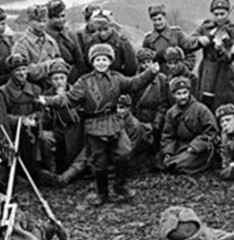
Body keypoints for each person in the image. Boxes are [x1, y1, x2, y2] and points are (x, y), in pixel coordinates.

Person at [40, 43, 159, 205]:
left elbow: (134, 84)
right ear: (92, 62)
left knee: (123, 152)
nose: (101, 62)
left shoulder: (117, 78)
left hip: (114, 121)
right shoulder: (84, 82)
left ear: (110, 61)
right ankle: (102, 193)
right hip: (94, 124)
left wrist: (150, 73)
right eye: (97, 60)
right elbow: (68, 98)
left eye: (104, 59)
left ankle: (120, 186)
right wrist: (48, 100)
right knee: (98, 160)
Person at [160, 76, 219, 174]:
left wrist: (194, 146)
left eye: (185, 93)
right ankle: (173, 161)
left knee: (180, 163)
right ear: (173, 95)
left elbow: (212, 132)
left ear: (189, 93)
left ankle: (177, 163)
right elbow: (168, 135)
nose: (182, 97)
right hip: (181, 146)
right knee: (160, 159)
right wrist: (168, 152)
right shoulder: (171, 113)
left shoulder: (201, 109)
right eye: (179, 94)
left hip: (200, 148)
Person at [191, 0, 234, 110]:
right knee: (205, 101)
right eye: (216, 14)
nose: (219, 18)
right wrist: (201, 40)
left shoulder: (232, 30)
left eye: (222, 14)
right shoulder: (206, 27)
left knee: (225, 102)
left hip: (224, 72)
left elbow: (233, 53)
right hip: (207, 69)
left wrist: (223, 48)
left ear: (228, 13)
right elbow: (190, 42)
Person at [131, 47, 169, 149]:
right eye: (143, 62)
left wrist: (157, 121)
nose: (146, 65)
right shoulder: (135, 79)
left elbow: (164, 102)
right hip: (139, 118)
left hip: (155, 118)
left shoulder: (161, 79)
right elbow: (131, 103)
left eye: (149, 62)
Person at [142, 4, 197, 74]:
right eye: (154, 20)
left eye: (159, 19)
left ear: (165, 18)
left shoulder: (177, 34)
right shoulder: (148, 39)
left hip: (178, 77)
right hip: (158, 78)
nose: (157, 22)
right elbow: (144, 61)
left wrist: (183, 69)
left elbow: (190, 54)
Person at [11, 4, 61, 81]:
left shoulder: (51, 41)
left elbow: (59, 64)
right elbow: (23, 71)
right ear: (29, 21)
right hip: (31, 87)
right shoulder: (21, 44)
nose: (41, 24)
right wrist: (48, 65)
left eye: (44, 21)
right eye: (37, 21)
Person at [84, 10, 137, 76]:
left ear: (111, 26)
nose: (103, 33)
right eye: (99, 30)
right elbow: (86, 63)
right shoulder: (91, 42)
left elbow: (131, 67)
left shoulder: (122, 42)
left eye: (106, 29)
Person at [44, 0, 85, 83]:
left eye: (62, 16)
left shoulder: (70, 34)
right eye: (56, 17)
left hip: (73, 77)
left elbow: (79, 61)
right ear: (49, 18)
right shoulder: (44, 36)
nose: (61, 20)